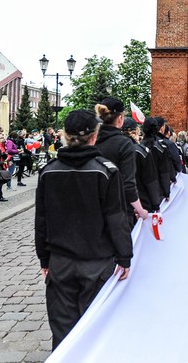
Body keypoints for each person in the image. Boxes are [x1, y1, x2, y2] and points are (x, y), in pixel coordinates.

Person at [35, 109, 133, 349]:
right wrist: (125, 256)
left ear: (65, 135)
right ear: (94, 135)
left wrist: (44, 259)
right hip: (97, 262)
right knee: (96, 330)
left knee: (63, 331)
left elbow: (42, 220)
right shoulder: (106, 171)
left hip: (61, 262)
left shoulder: (49, 171)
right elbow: (116, 218)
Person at [95, 97, 148, 221]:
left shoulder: (93, 140)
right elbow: (128, 184)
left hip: (93, 207)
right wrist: (141, 210)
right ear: (120, 119)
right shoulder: (124, 144)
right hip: (118, 210)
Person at [123, 117, 163, 213]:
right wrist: (156, 204)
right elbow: (150, 180)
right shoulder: (141, 151)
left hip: (119, 205)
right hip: (140, 202)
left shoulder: (114, 148)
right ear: (135, 131)